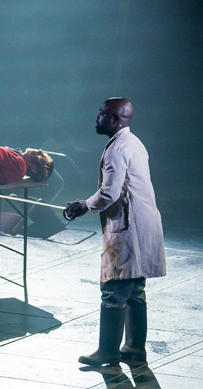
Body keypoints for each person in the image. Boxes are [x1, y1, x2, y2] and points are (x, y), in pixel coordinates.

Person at [65, 97, 166, 366]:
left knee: (114, 290)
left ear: (114, 119)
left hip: (129, 228)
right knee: (135, 290)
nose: (97, 118)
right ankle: (134, 348)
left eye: (101, 114)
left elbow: (109, 193)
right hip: (142, 225)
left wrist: (83, 206)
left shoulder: (117, 149)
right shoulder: (133, 142)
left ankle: (108, 351)